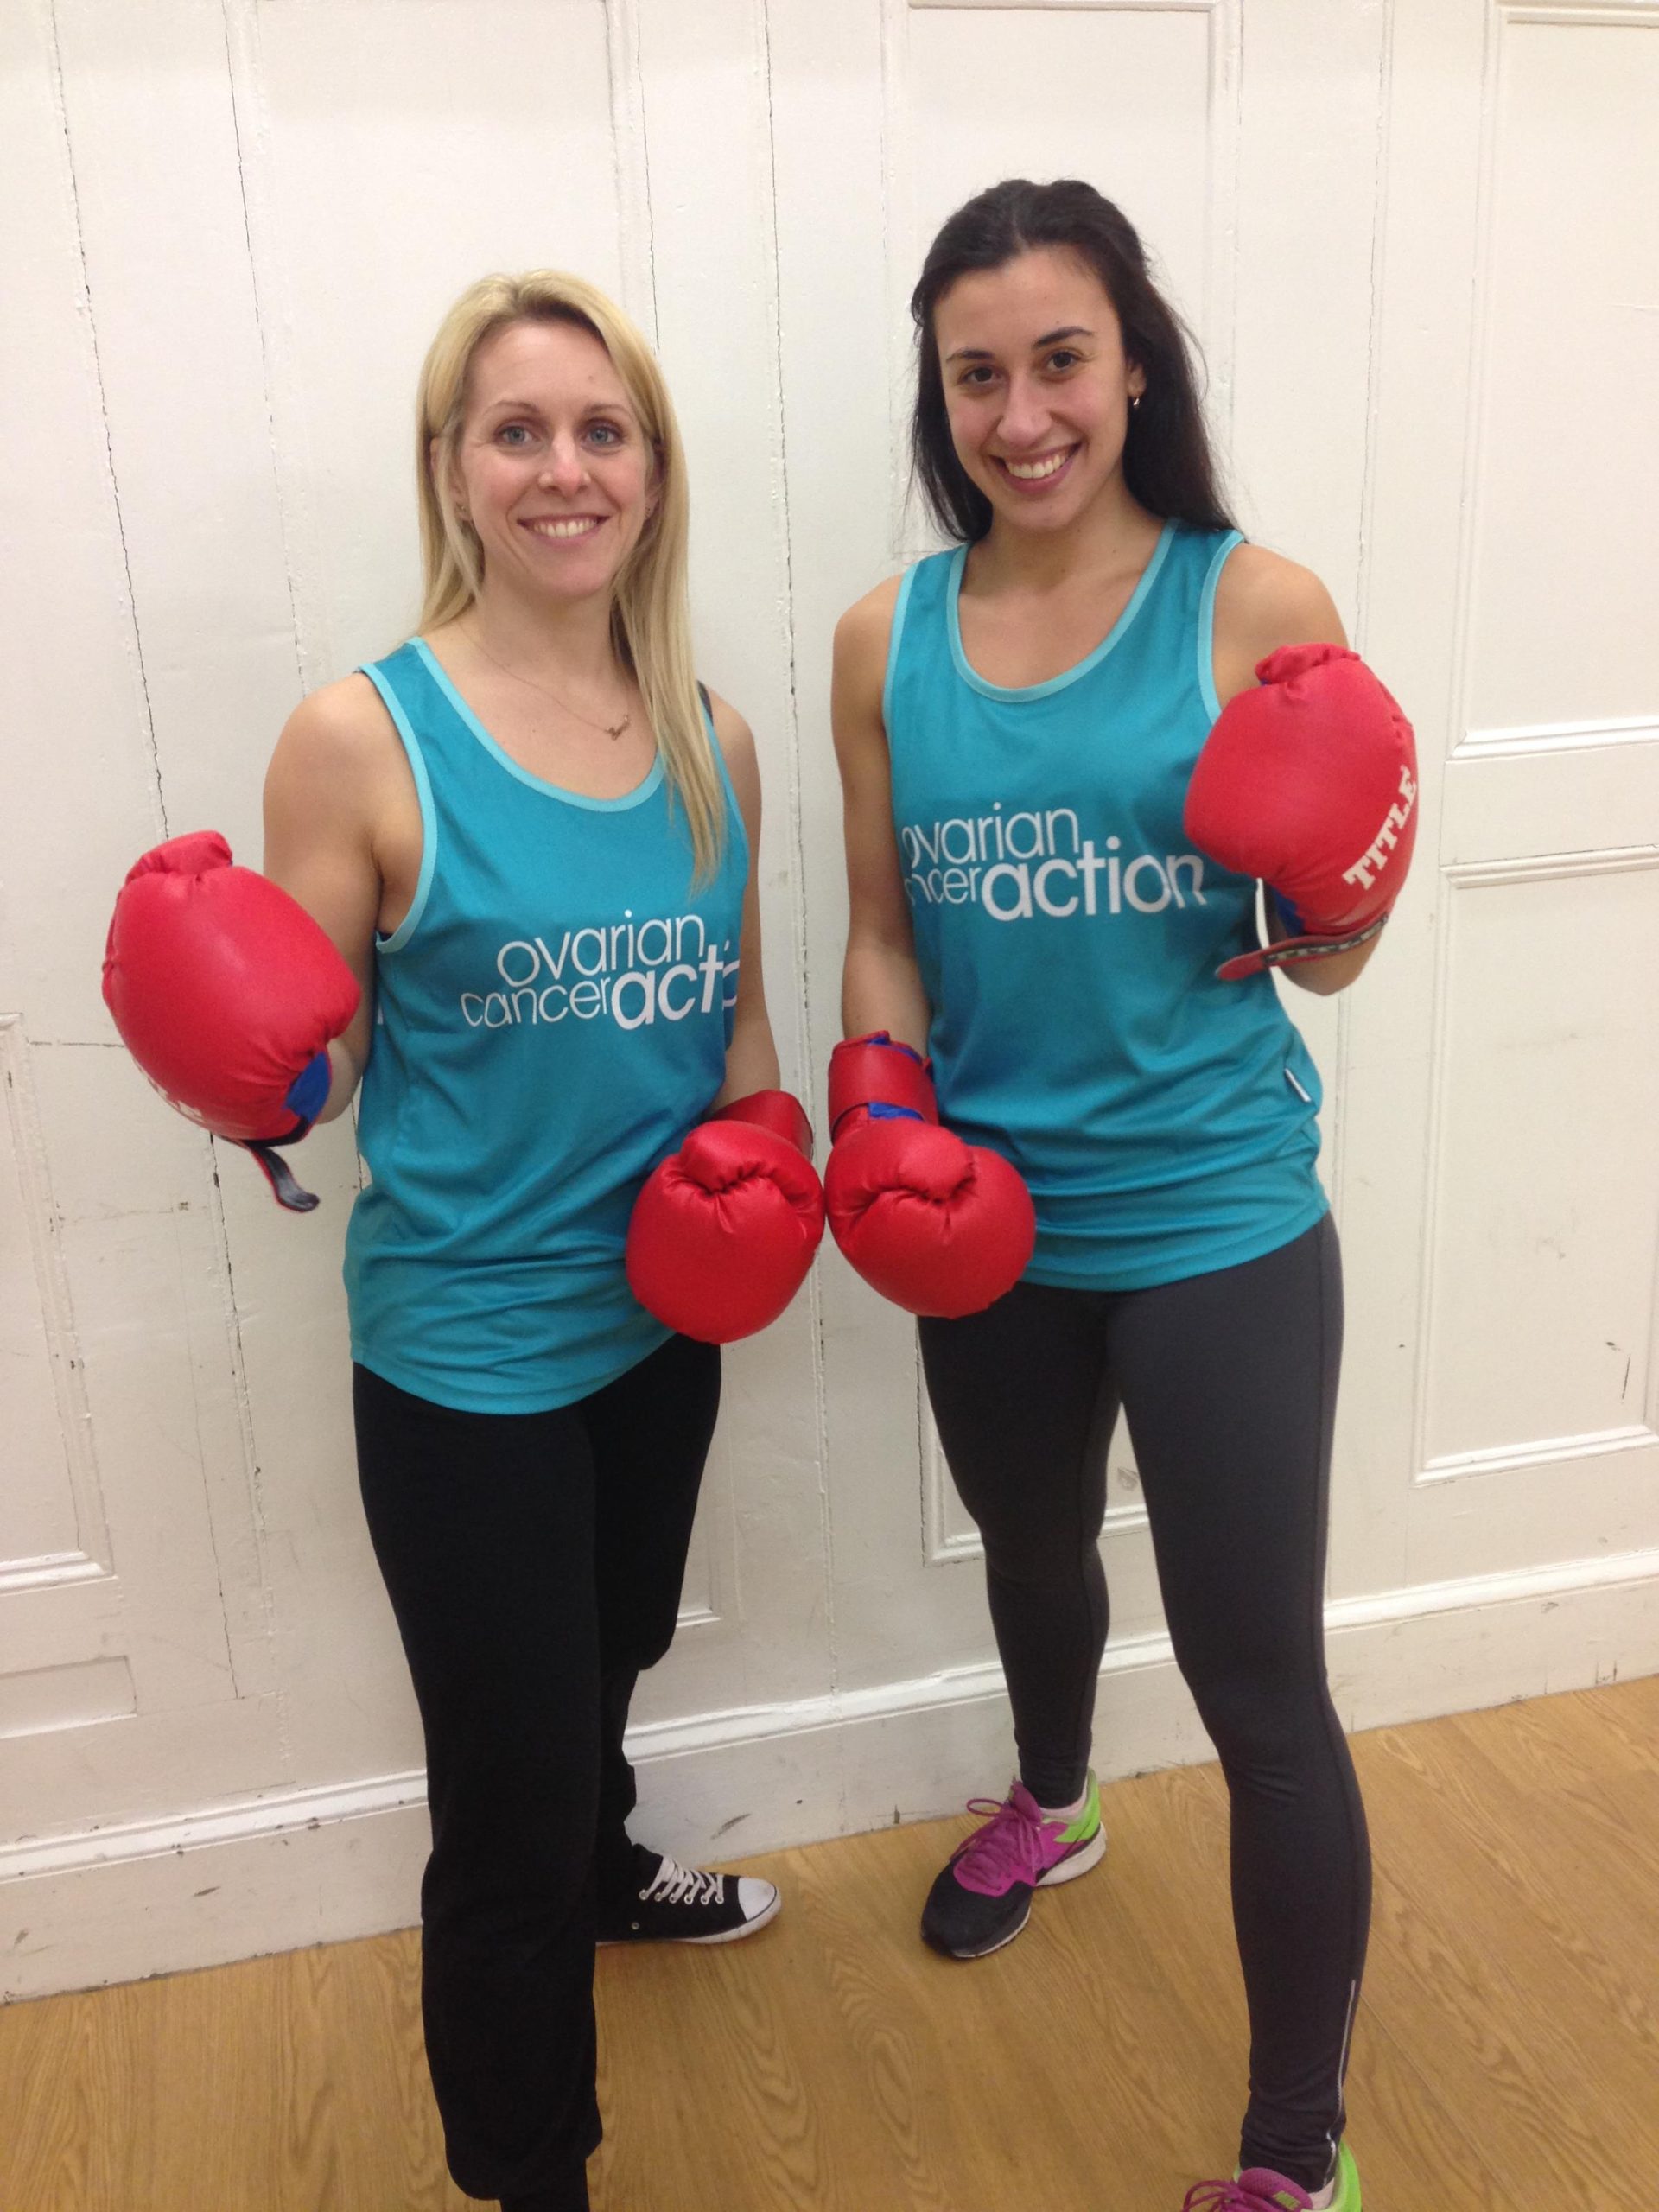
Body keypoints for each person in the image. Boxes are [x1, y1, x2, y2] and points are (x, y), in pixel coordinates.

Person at [105, 270, 821, 2212]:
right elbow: (308, 1068)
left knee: (616, 1652)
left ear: (652, 472)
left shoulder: (714, 739)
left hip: (666, 1319)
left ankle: (611, 1868)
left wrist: (778, 1153)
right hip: (467, 1358)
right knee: (494, 1812)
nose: (563, 467)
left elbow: (733, 1024)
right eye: (519, 430)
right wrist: (242, 1082)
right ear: (454, 469)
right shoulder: (359, 737)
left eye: (602, 429)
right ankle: (532, 2170)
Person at [825, 178, 1415, 2212]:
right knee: (1030, 1549)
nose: (1021, 411)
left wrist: (1344, 901)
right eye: (975, 372)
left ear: (1131, 360)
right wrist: (876, 1103)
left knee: (1260, 1682)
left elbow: (1316, 950)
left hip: (1218, 1215)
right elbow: (883, 927)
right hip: (980, 1214)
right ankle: (1056, 1802)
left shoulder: (1257, 605)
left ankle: (1293, 2154)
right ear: (942, 393)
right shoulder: (880, 640)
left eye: (1058, 357)